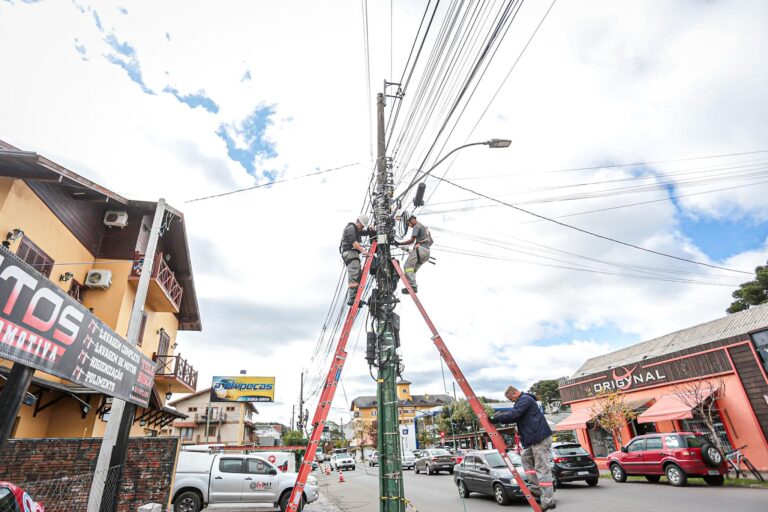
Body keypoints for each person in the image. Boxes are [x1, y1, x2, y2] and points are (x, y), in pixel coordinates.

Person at [489, 386, 556, 511]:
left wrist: (496, 418)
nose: (512, 400)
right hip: (534, 440)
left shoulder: (524, 399)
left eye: (511, 398)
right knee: (525, 458)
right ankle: (535, 488)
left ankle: (548, 501)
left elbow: (514, 415)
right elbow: (514, 415)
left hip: (540, 439)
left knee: (542, 469)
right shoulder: (523, 401)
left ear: (515, 393)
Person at [339, 214, 375, 305]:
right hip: (350, 254)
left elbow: (365, 232)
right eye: (361, 225)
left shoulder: (357, 230)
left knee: (357, 274)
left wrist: (370, 229)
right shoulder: (350, 228)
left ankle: (355, 299)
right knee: (354, 274)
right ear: (357, 221)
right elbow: (354, 243)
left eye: (363, 226)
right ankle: (352, 299)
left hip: (353, 254)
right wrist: (364, 251)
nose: (361, 227)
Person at [396, 214, 432, 294]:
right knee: (412, 270)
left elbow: (412, 240)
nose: (409, 226)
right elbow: (431, 242)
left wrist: (399, 243)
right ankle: (413, 285)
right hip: (427, 252)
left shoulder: (417, 226)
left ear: (412, 220)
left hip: (420, 250)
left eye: (408, 224)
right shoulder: (425, 228)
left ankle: (412, 286)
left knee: (407, 266)